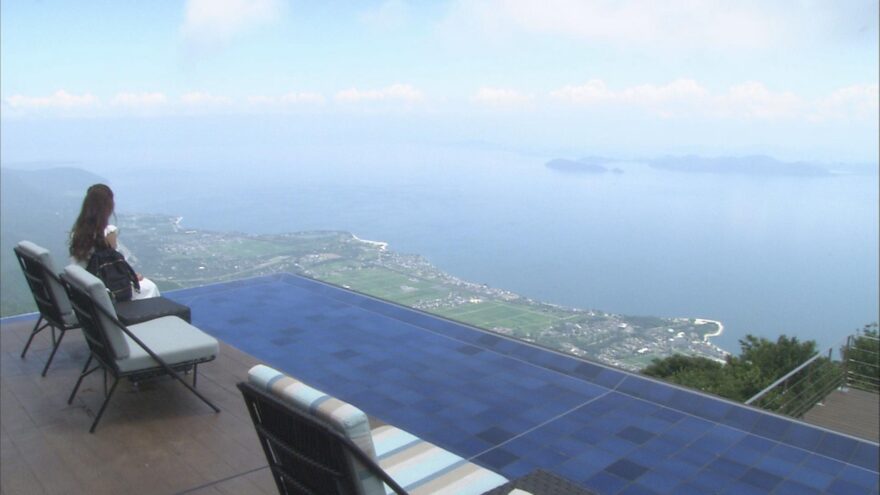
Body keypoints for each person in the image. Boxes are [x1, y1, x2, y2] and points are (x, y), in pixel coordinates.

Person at [69, 183, 161, 299]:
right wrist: (131, 276)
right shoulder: (107, 233)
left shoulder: (77, 232)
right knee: (150, 287)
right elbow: (115, 267)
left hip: (82, 285)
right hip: (105, 290)